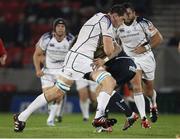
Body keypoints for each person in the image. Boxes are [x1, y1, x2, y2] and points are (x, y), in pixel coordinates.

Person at [13, 5, 127, 132]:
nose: (122, 23)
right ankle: (99, 118)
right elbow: (109, 50)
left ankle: (22, 117)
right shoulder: (106, 21)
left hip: (76, 58)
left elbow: (114, 48)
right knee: (109, 82)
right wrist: (107, 53)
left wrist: (106, 55)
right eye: (122, 19)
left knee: (56, 92)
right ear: (115, 16)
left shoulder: (99, 17)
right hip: (81, 59)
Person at [114, 2, 163, 128]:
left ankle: (153, 104)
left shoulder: (144, 23)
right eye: (125, 13)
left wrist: (145, 47)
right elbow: (116, 44)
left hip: (147, 58)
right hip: (132, 60)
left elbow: (159, 39)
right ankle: (144, 119)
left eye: (130, 13)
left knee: (149, 90)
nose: (128, 15)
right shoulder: (118, 27)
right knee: (136, 86)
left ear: (134, 13)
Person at [32, 18, 70, 126]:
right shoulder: (46, 38)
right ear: (54, 28)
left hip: (62, 72)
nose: (60, 28)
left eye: (62, 26)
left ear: (65, 29)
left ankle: (50, 119)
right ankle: (52, 114)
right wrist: (38, 69)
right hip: (47, 71)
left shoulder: (71, 39)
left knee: (58, 95)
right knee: (47, 96)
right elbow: (37, 54)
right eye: (58, 26)